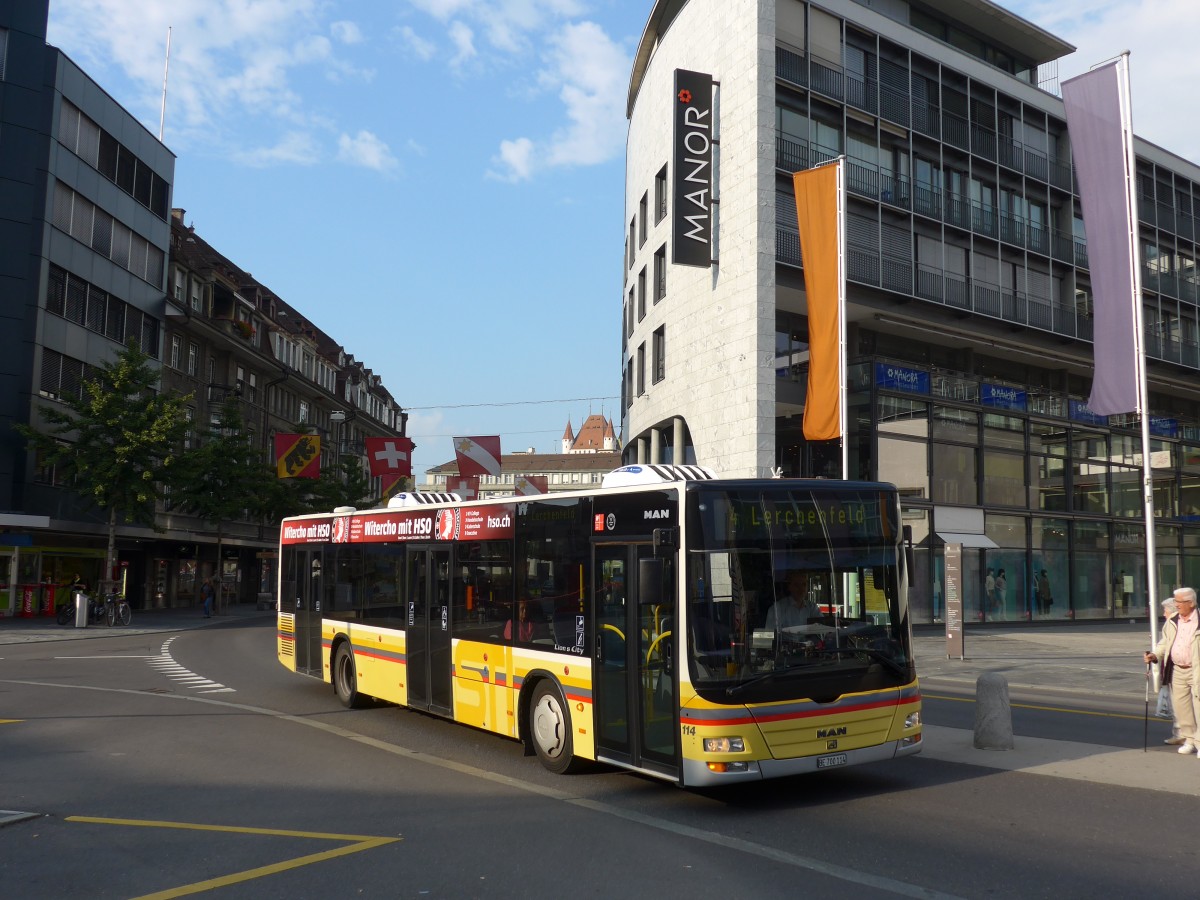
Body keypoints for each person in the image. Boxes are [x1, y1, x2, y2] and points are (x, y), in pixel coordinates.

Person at [1144, 587, 1200, 755]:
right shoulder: (1173, 621)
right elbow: (1164, 642)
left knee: (1199, 707)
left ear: (1191, 603)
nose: (1176, 605)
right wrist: (1154, 655)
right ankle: (1189, 739)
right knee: (1182, 709)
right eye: (1175, 601)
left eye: (1179, 602)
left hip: (1196, 670)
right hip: (1177, 670)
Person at [1155, 597, 1184, 745]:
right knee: (1177, 703)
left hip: (1185, 668)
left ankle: (1192, 737)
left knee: (1188, 704)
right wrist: (1154, 655)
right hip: (1171, 667)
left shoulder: (1184, 622)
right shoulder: (1170, 624)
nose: (1164, 614)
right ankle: (1179, 733)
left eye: (1165, 611)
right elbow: (1164, 643)